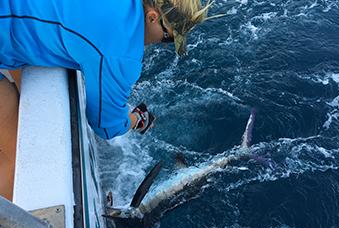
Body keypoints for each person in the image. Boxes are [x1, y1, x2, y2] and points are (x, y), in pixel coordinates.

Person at [0, 0, 213, 201]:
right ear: (152, 17)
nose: (160, 43)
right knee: (19, 159)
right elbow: (106, 126)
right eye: (168, 37)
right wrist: (137, 118)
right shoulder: (122, 54)